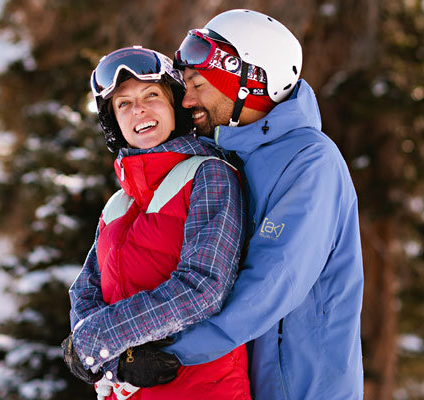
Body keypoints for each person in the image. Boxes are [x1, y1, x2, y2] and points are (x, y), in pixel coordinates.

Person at [156, 9, 365, 400]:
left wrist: (169, 351)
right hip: (240, 384)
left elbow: (272, 283)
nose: (187, 100)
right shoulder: (224, 156)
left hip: (301, 389)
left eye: (199, 84)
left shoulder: (309, 161)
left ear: (248, 83)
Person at [61, 46, 251, 400]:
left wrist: (100, 340)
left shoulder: (208, 175)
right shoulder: (119, 205)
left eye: (151, 95)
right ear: (114, 123)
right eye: (124, 104)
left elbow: (204, 287)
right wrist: (117, 360)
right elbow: (85, 291)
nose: (139, 110)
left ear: (176, 105)